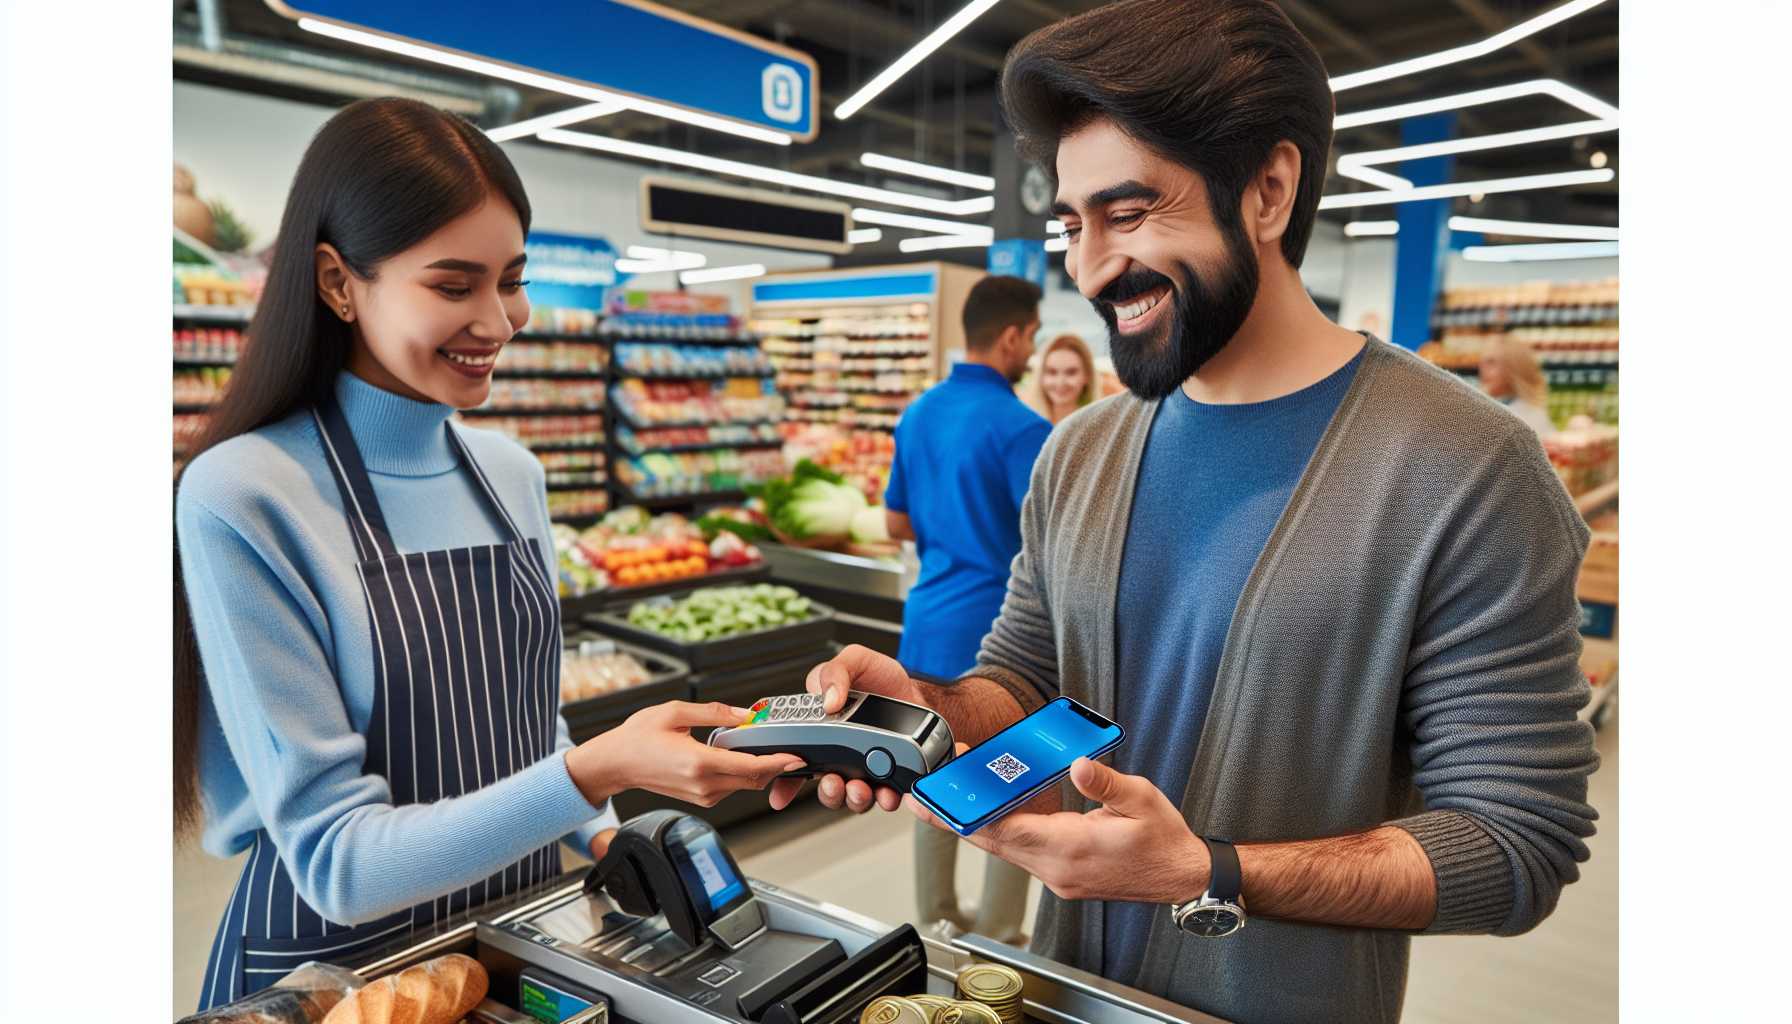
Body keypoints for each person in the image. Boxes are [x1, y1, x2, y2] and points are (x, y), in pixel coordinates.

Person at [771, 3, 1599, 1022]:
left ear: (1267, 188)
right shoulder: (1078, 450)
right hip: (1067, 995)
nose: (1087, 267)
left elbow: (1517, 843)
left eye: (1127, 214)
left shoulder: (1465, 465)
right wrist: (927, 709)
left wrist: (1207, 868)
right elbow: (1027, 681)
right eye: (1072, 225)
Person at [175, 99, 805, 1011]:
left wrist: (607, 835)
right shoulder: (245, 495)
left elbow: (524, 727)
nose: (501, 319)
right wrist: (602, 768)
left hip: (505, 935)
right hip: (324, 980)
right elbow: (338, 864)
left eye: (513, 278)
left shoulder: (508, 474)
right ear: (338, 281)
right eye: (452, 284)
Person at [881, 275, 1051, 945]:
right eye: (1033, 337)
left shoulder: (919, 412)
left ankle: (938, 920)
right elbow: (1052, 544)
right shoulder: (1022, 429)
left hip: (926, 624)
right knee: (1014, 782)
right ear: (1012, 336)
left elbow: (895, 520)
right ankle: (1004, 932)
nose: (1032, 350)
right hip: (1000, 641)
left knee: (936, 776)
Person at [1479, 335, 1556, 436]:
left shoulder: (1531, 418)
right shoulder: (1482, 407)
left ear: (1513, 368)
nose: (1482, 369)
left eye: (1491, 362)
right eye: (1482, 362)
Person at [1020, 333, 1102, 425]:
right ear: (1041, 376)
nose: (1060, 382)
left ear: (1087, 376)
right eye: (1052, 372)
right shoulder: (1026, 422)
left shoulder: (1097, 424)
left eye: (1071, 372)